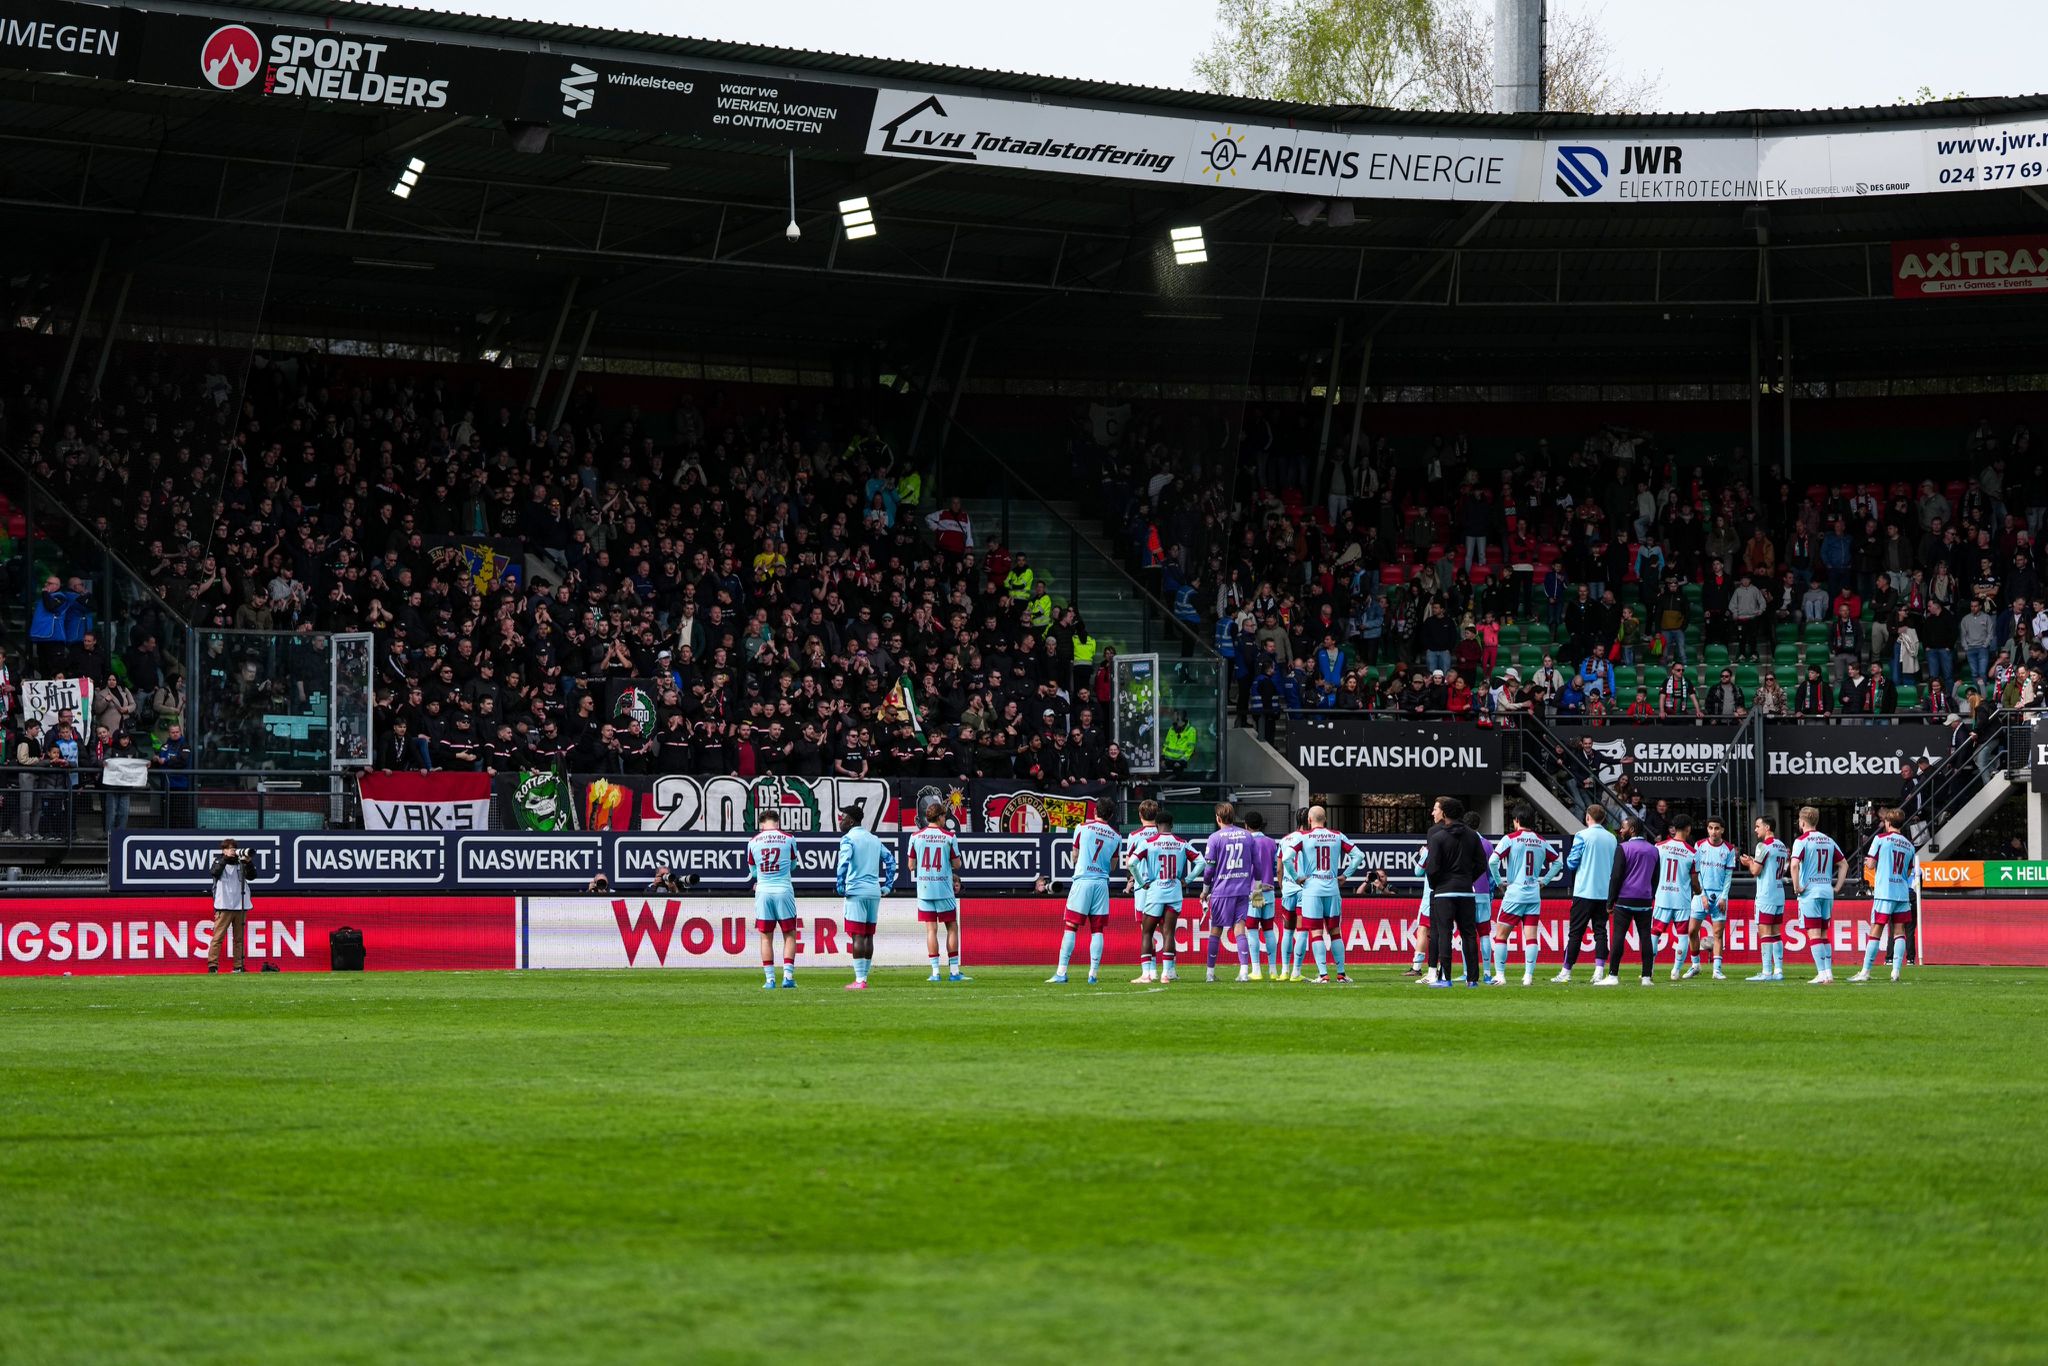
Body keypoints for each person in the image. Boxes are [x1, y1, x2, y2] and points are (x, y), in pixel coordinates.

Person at [1047, 800, 1120, 985]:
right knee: (1097, 930)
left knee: (1071, 926)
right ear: (1111, 815)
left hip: (1083, 880)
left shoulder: (1082, 827)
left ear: (1095, 811)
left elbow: (1075, 855)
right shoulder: (1116, 836)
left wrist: (1081, 862)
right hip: (1101, 883)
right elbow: (1113, 865)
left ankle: (1061, 972)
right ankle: (1092, 975)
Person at [1288, 804, 1363, 985]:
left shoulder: (1303, 837)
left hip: (1312, 889)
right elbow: (1359, 856)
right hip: (1332, 887)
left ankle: (1323, 975)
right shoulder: (1337, 835)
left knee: (1316, 932)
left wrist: (1297, 878)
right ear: (1326, 819)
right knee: (1335, 932)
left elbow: (1287, 858)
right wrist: (1346, 875)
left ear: (1309, 820)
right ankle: (1341, 974)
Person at [1487, 803, 1560, 986]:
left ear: (1517, 820)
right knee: (1531, 937)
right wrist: (1544, 881)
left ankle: (1500, 975)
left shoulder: (1510, 839)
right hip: (1533, 894)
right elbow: (1558, 862)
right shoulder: (1541, 841)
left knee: (1501, 935)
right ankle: (1528, 976)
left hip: (1515, 893)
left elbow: (1493, 861)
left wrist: (1499, 882)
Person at [1197, 802, 1268, 983]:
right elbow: (1257, 865)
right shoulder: (1247, 836)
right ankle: (1244, 972)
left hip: (1221, 890)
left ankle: (1210, 974)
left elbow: (1209, 869)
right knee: (1240, 928)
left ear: (1218, 818)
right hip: (1242, 889)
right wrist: (1257, 891)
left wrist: (1205, 890)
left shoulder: (1214, 838)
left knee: (1216, 930)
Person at [1128, 811, 1201, 985]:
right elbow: (1201, 862)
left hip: (1155, 891)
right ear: (1172, 825)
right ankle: (1167, 974)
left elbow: (1131, 863)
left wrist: (1141, 882)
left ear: (1156, 825)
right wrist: (1187, 880)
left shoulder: (1148, 843)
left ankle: (1146, 974)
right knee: (1169, 932)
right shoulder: (1182, 843)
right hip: (1174, 891)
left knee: (1147, 932)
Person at [1421, 796, 1486, 987]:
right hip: (1466, 891)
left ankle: (1445, 978)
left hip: (1444, 892)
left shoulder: (1437, 837)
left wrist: (1437, 885)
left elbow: (1432, 868)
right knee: (1469, 935)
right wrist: (1468, 879)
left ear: (1445, 813)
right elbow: (1481, 864)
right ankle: (1472, 979)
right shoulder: (1473, 836)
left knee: (1444, 934)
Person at [834, 803, 898, 991]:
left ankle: (860, 979)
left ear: (851, 821)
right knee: (868, 935)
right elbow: (891, 861)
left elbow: (843, 862)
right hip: (874, 891)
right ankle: (864, 977)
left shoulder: (848, 839)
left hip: (856, 891)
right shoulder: (874, 839)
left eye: (843, 817)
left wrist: (840, 885)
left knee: (858, 935)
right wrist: (887, 886)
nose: (841, 821)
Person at [1853, 807, 1921, 984]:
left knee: (1876, 930)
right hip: (1902, 893)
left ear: (1888, 823)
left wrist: (1871, 862)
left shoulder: (1880, 839)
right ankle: (1896, 971)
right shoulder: (1909, 845)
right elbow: (1908, 872)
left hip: (1884, 892)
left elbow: (1870, 864)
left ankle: (1865, 971)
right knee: (1899, 932)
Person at [1555, 804, 1616, 984]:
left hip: (1584, 891)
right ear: (1603, 819)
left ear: (1588, 817)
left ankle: (1566, 971)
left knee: (1575, 933)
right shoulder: (1612, 838)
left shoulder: (1582, 835)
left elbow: (1572, 862)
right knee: (1601, 931)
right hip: (1604, 892)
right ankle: (1599, 971)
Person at [907, 801, 967, 983]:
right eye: (944, 816)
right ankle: (954, 972)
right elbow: (957, 864)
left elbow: (911, 866)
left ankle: (935, 973)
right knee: (951, 927)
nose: (944, 819)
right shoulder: (949, 836)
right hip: (944, 889)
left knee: (931, 930)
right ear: (940, 816)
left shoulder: (915, 837)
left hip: (925, 890)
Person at [1790, 806, 1847, 985]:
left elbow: (1794, 865)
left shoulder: (1801, 841)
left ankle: (1822, 974)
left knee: (1814, 934)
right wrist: (1837, 887)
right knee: (1823, 934)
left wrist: (1797, 886)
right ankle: (1828, 973)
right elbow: (1844, 864)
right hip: (1826, 891)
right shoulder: (1828, 840)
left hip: (1810, 892)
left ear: (1802, 822)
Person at [746, 811, 801, 989]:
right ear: (777, 822)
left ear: (762, 824)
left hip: (763, 891)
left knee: (765, 938)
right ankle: (787, 977)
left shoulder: (753, 842)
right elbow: (793, 865)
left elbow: (753, 872)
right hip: (783, 890)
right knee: (789, 935)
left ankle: (770, 980)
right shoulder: (789, 839)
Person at [1606, 817, 1661, 986]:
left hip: (1625, 899)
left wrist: (1610, 901)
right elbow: (1656, 878)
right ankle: (1646, 977)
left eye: (1623, 827)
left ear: (1632, 830)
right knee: (1645, 937)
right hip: (1645, 900)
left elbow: (1616, 876)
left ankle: (1613, 975)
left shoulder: (1623, 848)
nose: (1621, 831)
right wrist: (1650, 895)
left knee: (1618, 936)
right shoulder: (1654, 850)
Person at [1686, 818, 1739, 980]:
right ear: (1707, 829)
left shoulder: (1729, 849)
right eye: (1710, 828)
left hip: (1719, 896)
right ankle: (1695, 965)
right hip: (1700, 895)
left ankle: (1717, 970)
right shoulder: (1700, 845)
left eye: (1717, 828)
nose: (1713, 831)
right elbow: (1697, 873)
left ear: (1722, 830)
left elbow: (1728, 876)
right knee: (1692, 931)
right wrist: (1702, 894)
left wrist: (1724, 897)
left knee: (1717, 934)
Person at [1739, 816, 1791, 982]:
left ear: (1767, 827)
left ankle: (1767, 971)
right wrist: (1753, 861)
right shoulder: (1781, 846)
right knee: (1776, 932)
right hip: (1778, 892)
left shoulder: (1763, 846)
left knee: (1765, 932)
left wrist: (1749, 863)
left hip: (1766, 894)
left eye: (1758, 826)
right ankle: (1779, 971)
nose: (1755, 829)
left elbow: (1756, 871)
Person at [1653, 814, 1703, 980]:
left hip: (1663, 896)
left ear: (1674, 828)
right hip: (1681, 899)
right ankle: (1676, 970)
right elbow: (1694, 881)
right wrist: (1698, 892)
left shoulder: (1659, 847)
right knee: (1682, 935)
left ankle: (1649, 969)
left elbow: (1653, 872)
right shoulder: (1692, 852)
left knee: (1655, 933)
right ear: (1688, 828)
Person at [206, 837, 256, 974]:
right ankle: (213, 965)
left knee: (239, 939)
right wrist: (225, 858)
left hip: (240, 905)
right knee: (218, 937)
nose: (233, 851)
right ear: (224, 850)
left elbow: (252, 876)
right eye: (230, 849)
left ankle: (239, 966)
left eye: (234, 849)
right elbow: (215, 872)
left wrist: (248, 862)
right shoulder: (218, 861)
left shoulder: (241, 863)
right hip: (224, 905)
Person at [1240, 810, 1277, 981]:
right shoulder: (1271, 842)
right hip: (1269, 889)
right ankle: (1273, 970)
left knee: (1253, 929)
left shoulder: (1246, 842)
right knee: (1269, 929)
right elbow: (1276, 865)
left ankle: (1256, 970)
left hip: (1255, 889)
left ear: (1246, 826)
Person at [1276, 808, 1312, 981]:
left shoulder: (1285, 839)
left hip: (1288, 890)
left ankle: (1284, 971)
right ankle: (1296, 972)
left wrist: (1283, 887)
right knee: (1302, 931)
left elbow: (1279, 868)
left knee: (1287, 932)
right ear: (1310, 820)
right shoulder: (1310, 838)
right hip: (1304, 889)